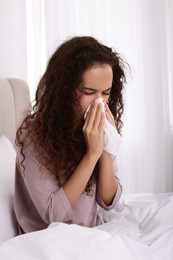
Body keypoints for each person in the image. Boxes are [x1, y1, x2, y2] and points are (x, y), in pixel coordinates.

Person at [14, 36, 127, 234]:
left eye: (106, 92)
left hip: (89, 234)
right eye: (89, 91)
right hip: (49, 239)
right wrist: (92, 154)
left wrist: (105, 152)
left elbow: (109, 202)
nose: (99, 103)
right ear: (65, 90)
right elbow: (53, 215)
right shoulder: (34, 135)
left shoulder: (100, 126)